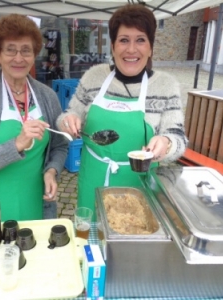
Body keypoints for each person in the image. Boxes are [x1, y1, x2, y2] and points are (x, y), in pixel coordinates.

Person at [57, 4, 188, 220]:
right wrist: (67, 121)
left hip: (139, 186)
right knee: (89, 244)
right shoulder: (93, 77)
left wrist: (167, 142)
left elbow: (178, 138)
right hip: (93, 180)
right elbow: (68, 115)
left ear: (150, 47)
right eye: (124, 40)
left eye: (140, 40)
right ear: (113, 45)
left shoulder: (166, 86)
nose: (131, 49)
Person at [0, 14, 68, 223]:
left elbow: (59, 146)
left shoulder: (47, 96)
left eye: (26, 50)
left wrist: (51, 171)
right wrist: (18, 143)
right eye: (10, 50)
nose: (19, 58)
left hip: (35, 200)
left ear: (34, 54)